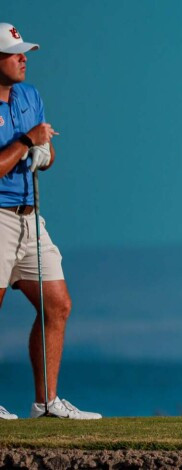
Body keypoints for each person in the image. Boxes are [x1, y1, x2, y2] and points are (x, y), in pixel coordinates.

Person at [0, 23, 100, 420]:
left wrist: (43, 151)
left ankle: (46, 403)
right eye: (14, 52)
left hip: (30, 216)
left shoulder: (29, 96)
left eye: (24, 51)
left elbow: (47, 150)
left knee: (57, 304)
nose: (24, 58)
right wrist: (26, 143)